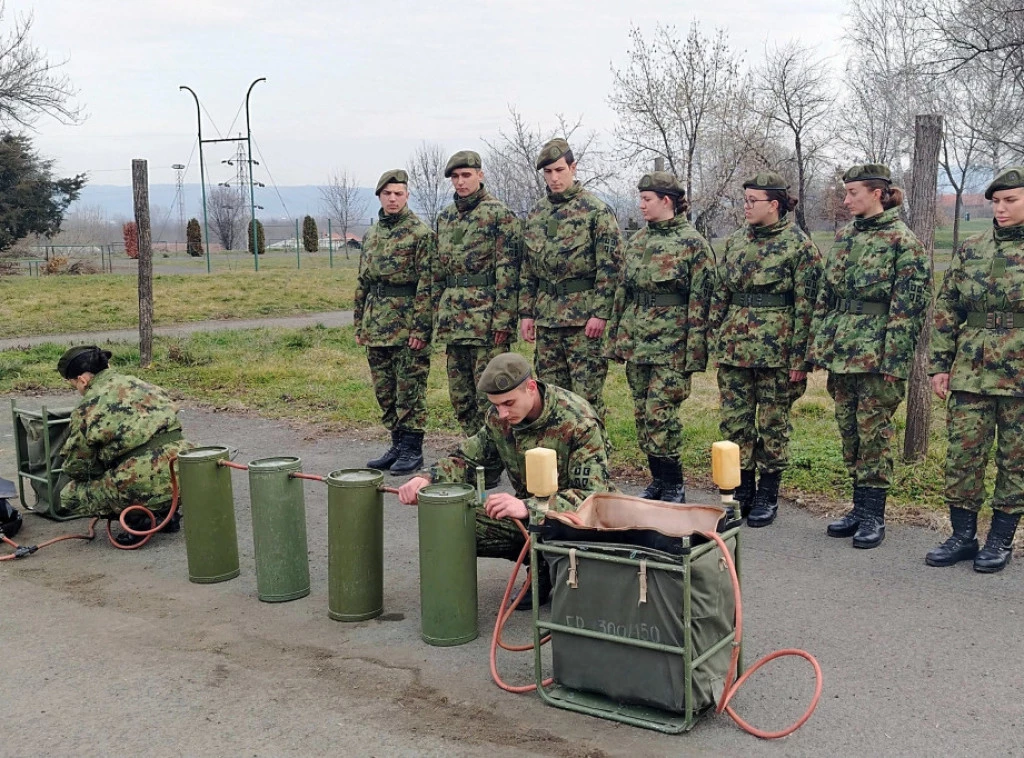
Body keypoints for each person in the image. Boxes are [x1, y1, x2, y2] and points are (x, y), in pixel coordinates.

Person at [398, 352, 613, 607]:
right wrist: (428, 478)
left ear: (531, 388)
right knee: (457, 522)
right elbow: (468, 459)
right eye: (496, 405)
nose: (501, 413)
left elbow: (592, 496)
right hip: (530, 517)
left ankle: (562, 567)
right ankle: (539, 564)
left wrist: (528, 507)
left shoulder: (578, 422)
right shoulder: (500, 418)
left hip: (577, 522)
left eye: (508, 403)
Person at [808, 164, 931, 549]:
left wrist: (894, 364)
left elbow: (908, 311)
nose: (846, 201)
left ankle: (874, 515)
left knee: (874, 435)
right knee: (850, 434)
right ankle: (858, 508)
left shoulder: (902, 243)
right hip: (843, 354)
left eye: (853, 193)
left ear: (877, 193)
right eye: (845, 194)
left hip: (877, 358)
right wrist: (819, 347)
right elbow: (825, 298)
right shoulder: (844, 240)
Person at [708, 172, 821, 527]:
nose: (745, 207)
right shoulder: (736, 242)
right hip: (736, 349)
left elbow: (808, 306)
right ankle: (741, 493)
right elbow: (721, 293)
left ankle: (768, 495)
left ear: (773, 205)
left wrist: (802, 357)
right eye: (743, 200)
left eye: (751, 201)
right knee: (735, 423)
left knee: (773, 425)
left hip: (778, 353)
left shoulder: (799, 246)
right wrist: (716, 335)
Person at [926, 167, 1024, 573]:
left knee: (1015, 461)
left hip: (1019, 375)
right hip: (971, 371)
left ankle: (1000, 541)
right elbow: (947, 308)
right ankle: (963, 537)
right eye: (996, 202)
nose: (1000, 209)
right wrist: (940, 366)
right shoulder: (973, 249)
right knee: (963, 456)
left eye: (1010, 201)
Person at [607, 171, 714, 504]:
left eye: (646, 199)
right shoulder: (637, 241)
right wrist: (616, 339)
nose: (641, 206)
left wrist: (694, 353)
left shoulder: (693, 243)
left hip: (672, 346)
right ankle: (658, 479)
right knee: (641, 414)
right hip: (638, 343)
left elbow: (702, 301)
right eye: (640, 199)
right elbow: (623, 293)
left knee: (660, 414)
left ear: (666, 201)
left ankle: (674, 483)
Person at [433, 150, 522, 488]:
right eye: (455, 178)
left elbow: (508, 273)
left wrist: (503, 323)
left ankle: (501, 459)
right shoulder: (445, 219)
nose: (461, 182)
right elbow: (439, 273)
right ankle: (478, 458)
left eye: (466, 176)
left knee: (493, 397)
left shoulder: (500, 215)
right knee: (462, 397)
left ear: (480, 175)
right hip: (455, 321)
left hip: (486, 322)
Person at [519, 138, 623, 419]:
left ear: (573, 167)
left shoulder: (595, 211)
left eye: (559, 170)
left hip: (583, 322)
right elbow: (529, 268)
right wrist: (526, 313)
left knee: (585, 398)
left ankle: (594, 459)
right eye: (548, 172)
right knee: (551, 396)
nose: (554, 178)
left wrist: (600, 314)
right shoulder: (537, 213)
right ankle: (558, 459)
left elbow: (610, 268)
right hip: (548, 320)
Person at [54, 346, 191, 538]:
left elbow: (78, 466)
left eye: (73, 385)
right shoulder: (142, 384)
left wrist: (102, 467)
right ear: (107, 365)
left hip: (140, 482)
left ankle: (140, 520)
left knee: (70, 495)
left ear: (82, 381)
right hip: (186, 474)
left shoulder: (87, 407)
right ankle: (166, 513)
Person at [355, 169, 437, 475]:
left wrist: (422, 329)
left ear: (406, 196)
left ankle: (413, 449)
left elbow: (428, 286)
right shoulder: (371, 235)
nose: (393, 199)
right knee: (385, 390)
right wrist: (359, 323)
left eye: (398, 193)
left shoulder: (420, 234)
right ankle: (397, 444)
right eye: (387, 193)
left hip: (407, 327)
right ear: (379, 196)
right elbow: (363, 281)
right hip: (376, 325)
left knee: (410, 388)